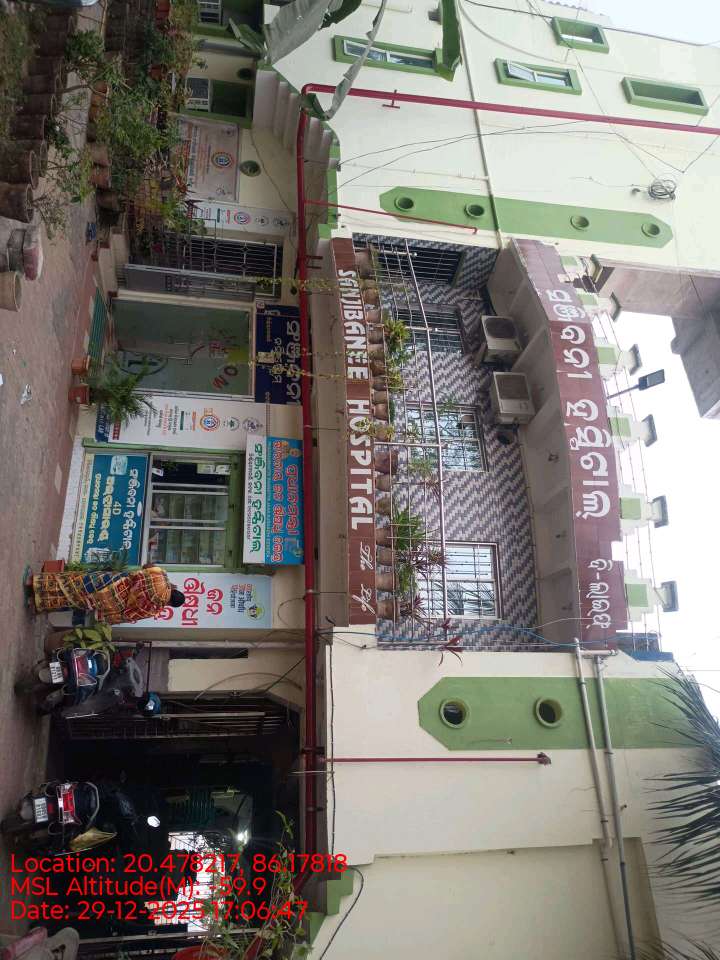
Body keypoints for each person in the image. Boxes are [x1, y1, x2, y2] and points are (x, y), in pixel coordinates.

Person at [29, 563, 185, 624]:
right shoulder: (154, 610)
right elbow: (128, 615)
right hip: (106, 602)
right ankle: (38, 603)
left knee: (74, 581)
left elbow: (145, 567)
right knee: (73, 601)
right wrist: (106, 617)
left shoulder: (160, 576)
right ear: (171, 605)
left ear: (174, 590)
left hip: (110, 582)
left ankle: (34, 583)